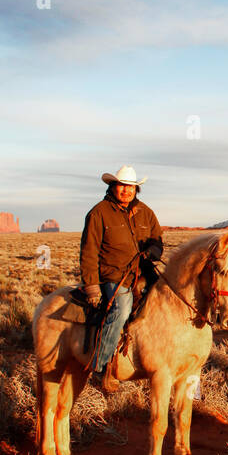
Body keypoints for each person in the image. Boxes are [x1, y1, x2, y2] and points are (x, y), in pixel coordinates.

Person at [79, 165, 164, 393]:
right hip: (114, 275)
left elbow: (158, 241)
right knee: (122, 308)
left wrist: (153, 252)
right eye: (121, 186)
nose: (126, 191)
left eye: (130, 187)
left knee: (167, 301)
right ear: (112, 187)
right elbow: (89, 252)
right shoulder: (99, 213)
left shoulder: (146, 212)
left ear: (136, 189)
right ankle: (101, 367)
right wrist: (92, 287)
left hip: (143, 273)